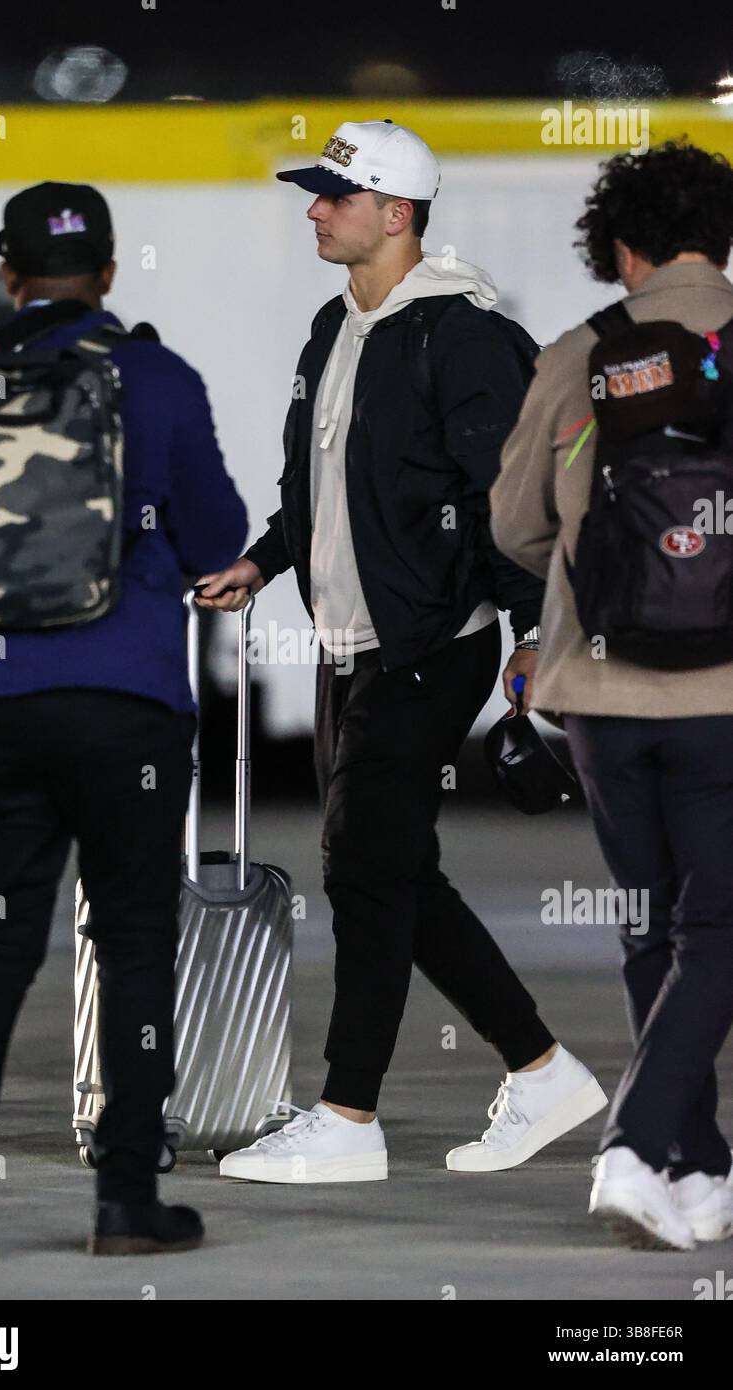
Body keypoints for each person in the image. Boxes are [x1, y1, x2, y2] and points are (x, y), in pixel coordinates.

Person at [197, 120, 606, 1184]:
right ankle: (541, 1068)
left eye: (332, 196)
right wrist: (260, 561)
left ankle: (347, 1116)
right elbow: (318, 496)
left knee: (364, 869)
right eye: (313, 193)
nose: (312, 211)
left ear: (395, 213)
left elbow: (509, 503)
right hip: (353, 646)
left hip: (433, 641)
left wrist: (526, 636)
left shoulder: (462, 337)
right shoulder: (333, 333)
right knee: (389, 867)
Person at [0, 181, 247, 1258]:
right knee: (133, 946)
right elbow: (213, 532)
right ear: (105, 272)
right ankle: (126, 1199)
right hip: (121, 702)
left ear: (6, 274)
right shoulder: (155, 375)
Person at [491, 140, 733, 1250]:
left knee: (651, 925)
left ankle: (696, 1167)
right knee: (717, 926)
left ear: (621, 248)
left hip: (597, 686)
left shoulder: (579, 352)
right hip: (724, 694)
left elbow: (514, 524)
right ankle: (635, 1143)